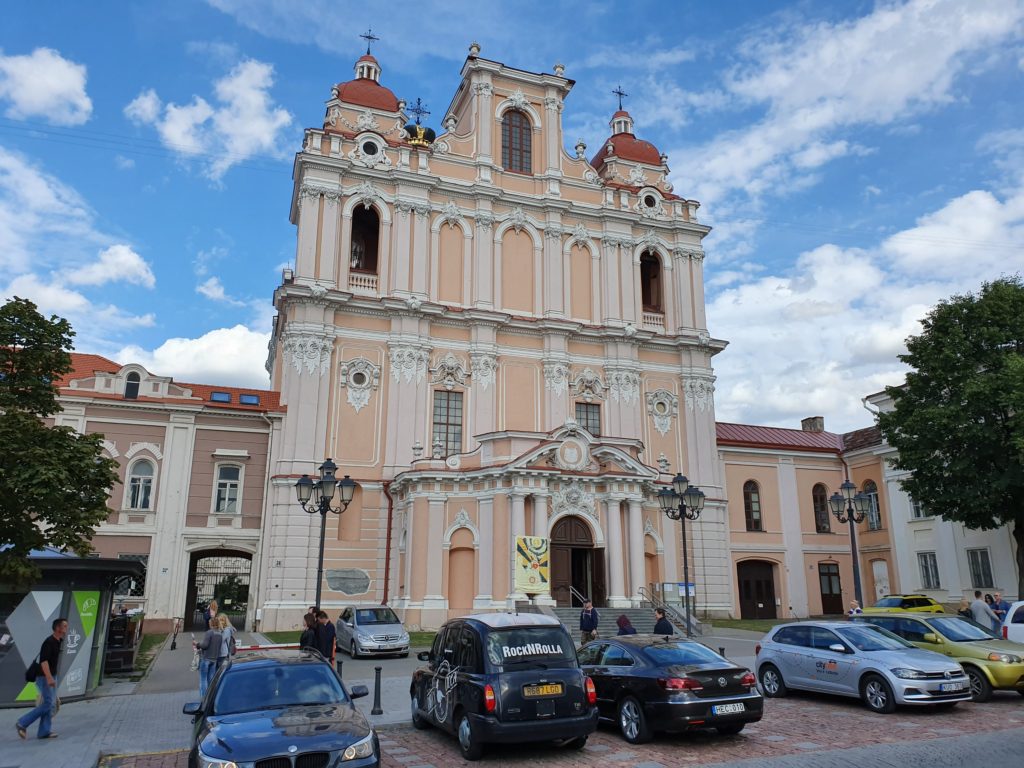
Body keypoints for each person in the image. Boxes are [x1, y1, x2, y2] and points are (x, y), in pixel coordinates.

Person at [16, 617, 68, 740]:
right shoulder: (49, 642)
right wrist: (49, 678)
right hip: (44, 676)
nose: (67, 629)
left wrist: (52, 677)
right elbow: (43, 662)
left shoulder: (58, 641)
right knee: (48, 704)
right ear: (58, 628)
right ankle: (22, 723)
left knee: (48, 704)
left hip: (50, 675)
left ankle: (44, 732)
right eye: (65, 626)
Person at [195, 617, 224, 698]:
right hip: (214, 659)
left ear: (211, 623)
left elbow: (205, 645)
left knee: (203, 680)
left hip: (206, 658)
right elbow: (219, 647)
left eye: (209, 622)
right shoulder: (219, 634)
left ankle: (204, 698)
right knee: (211, 680)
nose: (208, 623)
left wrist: (197, 644)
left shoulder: (209, 632)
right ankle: (211, 697)